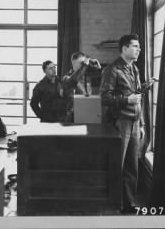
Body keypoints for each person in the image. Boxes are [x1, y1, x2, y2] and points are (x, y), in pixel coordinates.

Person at [100, 34, 155, 213]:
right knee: (118, 165)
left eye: (139, 47)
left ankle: (128, 205)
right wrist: (126, 100)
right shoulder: (112, 69)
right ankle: (113, 204)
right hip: (120, 123)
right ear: (124, 48)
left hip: (134, 123)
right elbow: (105, 97)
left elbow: (136, 96)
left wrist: (142, 124)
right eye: (135, 46)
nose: (139, 49)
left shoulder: (134, 69)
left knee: (132, 166)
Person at [62, 52, 101, 122]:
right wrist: (85, 65)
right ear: (73, 63)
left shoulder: (86, 76)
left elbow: (100, 76)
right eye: (81, 62)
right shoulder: (67, 77)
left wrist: (98, 66)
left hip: (87, 112)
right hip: (72, 116)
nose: (83, 64)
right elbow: (74, 79)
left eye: (84, 63)